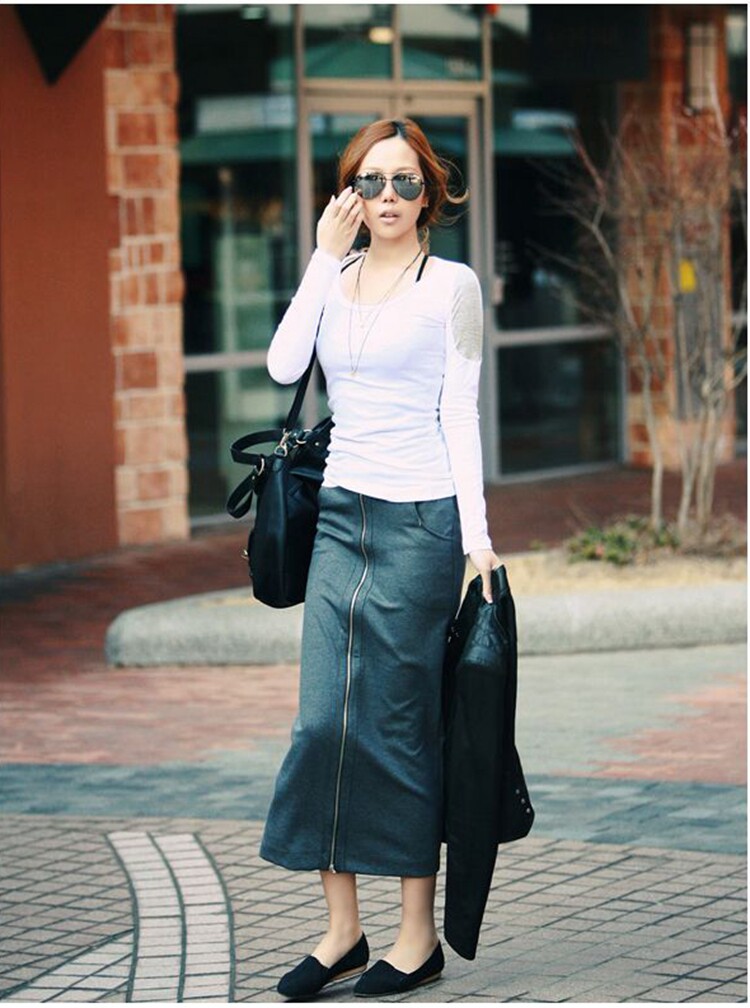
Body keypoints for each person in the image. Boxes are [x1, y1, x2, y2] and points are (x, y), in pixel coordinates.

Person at [259, 117, 500, 999]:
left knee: (397, 729)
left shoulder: (452, 286)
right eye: (370, 181)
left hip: (420, 523)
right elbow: (283, 365)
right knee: (324, 723)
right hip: (339, 520)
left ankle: (416, 936)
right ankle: (342, 933)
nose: (387, 197)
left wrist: (476, 537)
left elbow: (460, 413)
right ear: (348, 193)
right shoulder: (335, 275)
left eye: (404, 182)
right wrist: (322, 260)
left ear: (429, 193)